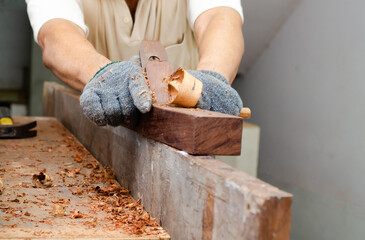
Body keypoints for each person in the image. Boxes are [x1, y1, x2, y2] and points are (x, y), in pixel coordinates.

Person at [26, 0, 245, 126]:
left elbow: (220, 19)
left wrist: (212, 76)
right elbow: (56, 35)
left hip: (183, 137)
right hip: (96, 131)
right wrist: (103, 74)